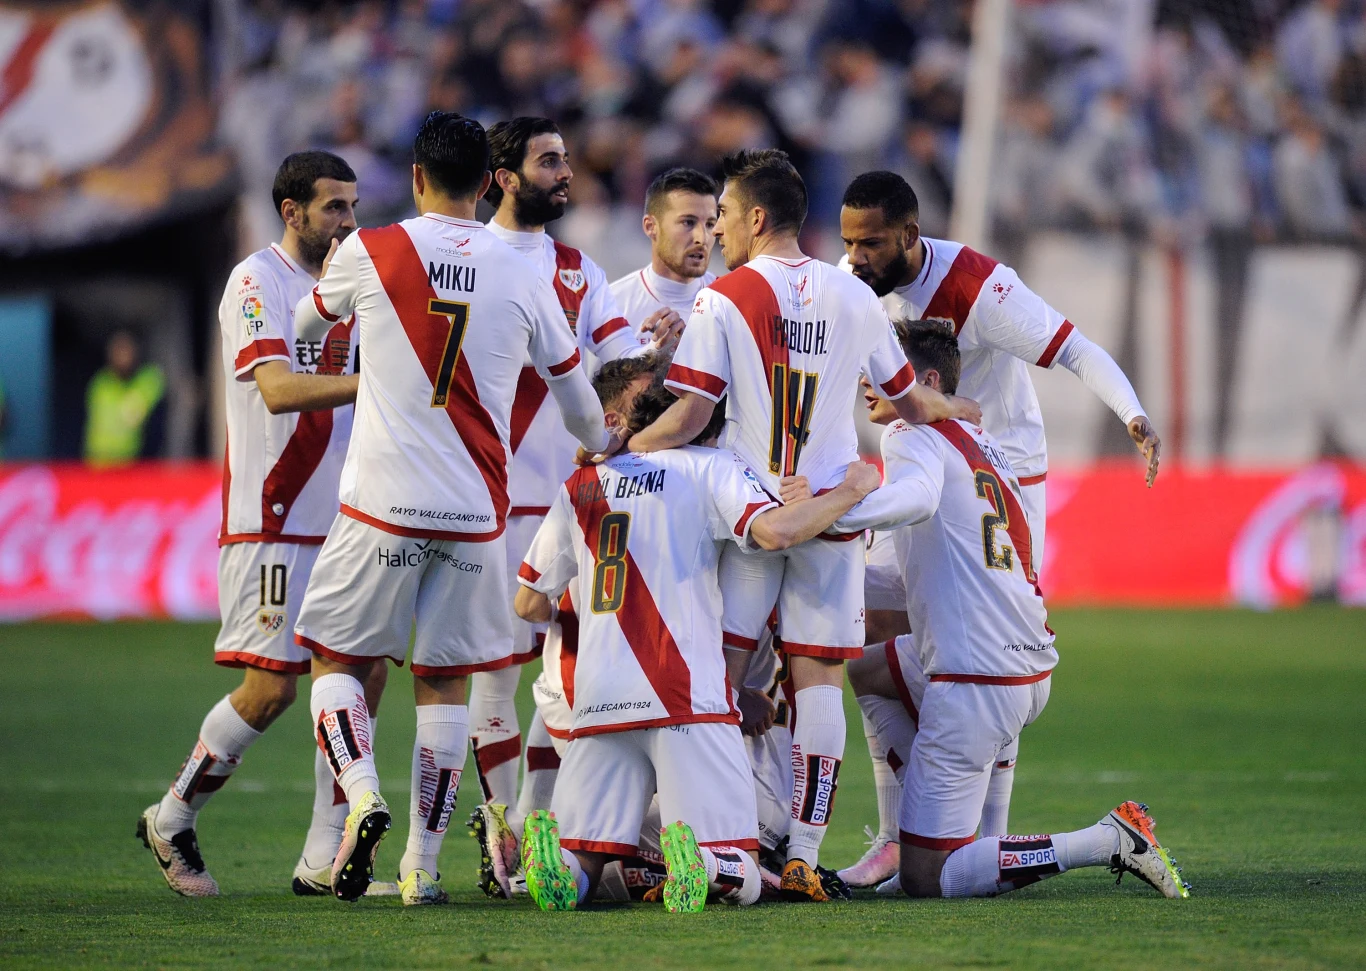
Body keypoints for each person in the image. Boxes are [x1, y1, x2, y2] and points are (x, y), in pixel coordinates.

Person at [622, 148, 978, 900]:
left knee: (717, 672)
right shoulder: (854, 296)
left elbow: (689, 414)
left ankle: (710, 837)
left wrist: (618, 450)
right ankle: (803, 857)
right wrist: (958, 406)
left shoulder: (724, 298)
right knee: (819, 680)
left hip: (752, 515)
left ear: (756, 218)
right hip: (831, 515)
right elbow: (909, 402)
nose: (717, 229)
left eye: (723, 214)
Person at [290, 111, 608, 907]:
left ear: (417, 177)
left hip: (381, 505)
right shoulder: (525, 274)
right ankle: (421, 869)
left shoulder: (372, 249)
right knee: (446, 686)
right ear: (489, 181)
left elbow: (307, 322)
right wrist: (603, 444)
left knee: (334, 662)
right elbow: (579, 402)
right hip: (476, 515)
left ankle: (363, 793)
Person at [834, 170, 1160, 885]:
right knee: (868, 627)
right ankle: (900, 834)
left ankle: (986, 836)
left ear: (910, 236)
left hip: (999, 467)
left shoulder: (978, 286)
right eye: (848, 242)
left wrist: (1132, 413)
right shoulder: (849, 282)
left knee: (982, 637)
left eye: (871, 243)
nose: (855, 257)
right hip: (919, 450)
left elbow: (1075, 349)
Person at [512, 380, 884, 912]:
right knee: (745, 871)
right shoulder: (708, 467)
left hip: (597, 701)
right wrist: (851, 490)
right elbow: (775, 533)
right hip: (686, 696)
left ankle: (564, 872)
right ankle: (704, 866)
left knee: (586, 856)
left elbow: (527, 602)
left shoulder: (581, 482)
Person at [137, 151, 377, 899]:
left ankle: (322, 853)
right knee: (271, 689)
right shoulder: (256, 281)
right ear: (291, 210)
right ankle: (173, 814)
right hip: (272, 515)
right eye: (333, 206)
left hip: (345, 516)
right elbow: (274, 388)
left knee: (358, 673)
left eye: (353, 205)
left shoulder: (355, 287)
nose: (347, 221)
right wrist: (375, 385)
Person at [467, 117, 667, 826]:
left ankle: (533, 829)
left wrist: (662, 352)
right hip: (487, 499)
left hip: (568, 503)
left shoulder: (579, 269)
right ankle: (500, 839)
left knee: (564, 670)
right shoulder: (469, 257)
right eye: (548, 161)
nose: (565, 173)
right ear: (505, 178)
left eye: (566, 159)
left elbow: (624, 362)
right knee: (495, 676)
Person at [608, 167, 719, 339]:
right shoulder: (613, 304)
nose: (702, 238)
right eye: (688, 222)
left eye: (710, 224)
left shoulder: (732, 302)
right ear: (650, 227)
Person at [84, 330, 165, 465]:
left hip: (129, 462)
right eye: (118, 352)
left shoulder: (146, 380)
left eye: (126, 352)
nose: (122, 358)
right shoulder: (100, 384)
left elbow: (155, 381)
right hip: (99, 461)